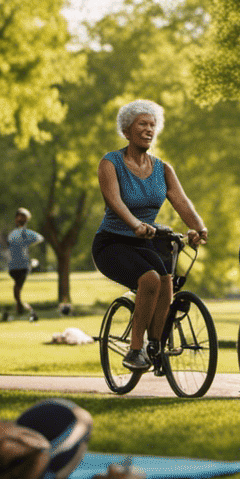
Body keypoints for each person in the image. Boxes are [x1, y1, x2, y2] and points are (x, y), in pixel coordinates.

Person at [92, 99, 208, 372]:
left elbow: (182, 202)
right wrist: (134, 224)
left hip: (146, 242)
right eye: (142, 124)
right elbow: (114, 201)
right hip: (112, 243)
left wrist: (199, 228)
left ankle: (154, 346)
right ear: (127, 131)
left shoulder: (163, 169)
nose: (148, 130)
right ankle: (134, 351)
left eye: (152, 125)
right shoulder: (111, 163)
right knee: (150, 278)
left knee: (167, 286)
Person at [7, 208, 44, 321]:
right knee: (17, 286)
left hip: (22, 265)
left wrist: (28, 246)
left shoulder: (25, 233)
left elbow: (39, 239)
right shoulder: (15, 234)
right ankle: (21, 305)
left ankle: (20, 306)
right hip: (14, 266)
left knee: (17, 286)